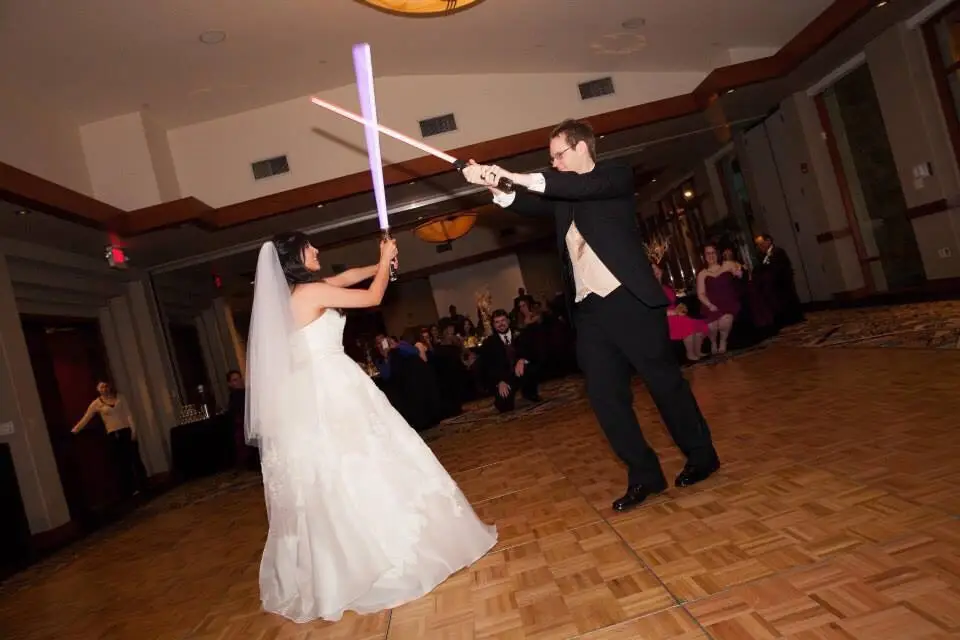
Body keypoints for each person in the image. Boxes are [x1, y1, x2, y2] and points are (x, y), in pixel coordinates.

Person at [462, 119, 720, 512]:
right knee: (604, 398)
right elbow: (529, 202)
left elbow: (572, 186)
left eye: (558, 156)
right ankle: (645, 475)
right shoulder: (563, 198)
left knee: (664, 385)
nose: (554, 164)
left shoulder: (613, 177)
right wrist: (493, 183)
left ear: (582, 148)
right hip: (591, 312)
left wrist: (514, 174)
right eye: (550, 159)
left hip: (631, 301)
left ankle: (702, 456)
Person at [245, 231, 496, 623]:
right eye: (308, 247)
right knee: (366, 461)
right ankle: (385, 555)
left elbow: (350, 278)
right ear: (294, 256)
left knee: (354, 466)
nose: (316, 249)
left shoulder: (307, 290)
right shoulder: (309, 295)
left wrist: (381, 263)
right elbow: (371, 298)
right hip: (332, 390)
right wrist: (383, 263)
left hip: (325, 387)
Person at [71, 381, 146, 497]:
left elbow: (128, 414)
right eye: (101, 387)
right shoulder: (96, 403)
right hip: (113, 433)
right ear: (98, 389)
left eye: (105, 386)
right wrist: (75, 431)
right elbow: (86, 418)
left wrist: (134, 430)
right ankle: (130, 488)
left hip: (126, 430)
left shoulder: (120, 397)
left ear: (109, 387)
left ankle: (143, 484)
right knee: (122, 462)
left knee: (134, 457)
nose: (104, 389)